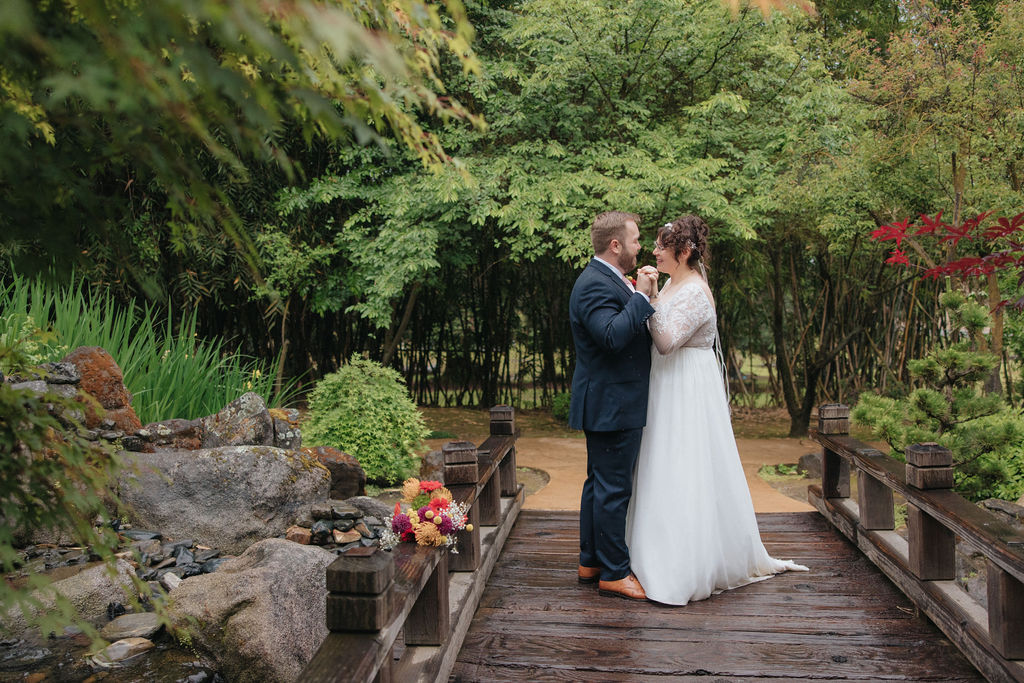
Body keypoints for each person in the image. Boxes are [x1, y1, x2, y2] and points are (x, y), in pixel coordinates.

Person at [626, 214, 807, 606]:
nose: (654, 250)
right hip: (666, 385)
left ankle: (683, 563)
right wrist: (651, 293)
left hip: (685, 387)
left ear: (684, 251)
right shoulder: (674, 282)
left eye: (661, 244)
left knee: (683, 464)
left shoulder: (694, 291)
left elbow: (668, 343)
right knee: (661, 461)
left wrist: (647, 297)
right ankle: (648, 549)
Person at [568, 211, 658, 601]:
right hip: (611, 403)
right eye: (636, 240)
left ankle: (591, 560)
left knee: (599, 485)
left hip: (610, 400)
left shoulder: (605, 279)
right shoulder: (593, 284)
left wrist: (638, 295)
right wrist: (640, 296)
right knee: (613, 490)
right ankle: (614, 573)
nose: (640, 246)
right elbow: (611, 336)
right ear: (615, 244)